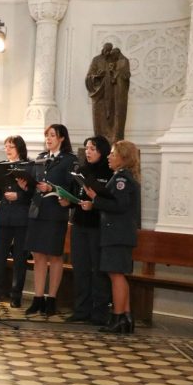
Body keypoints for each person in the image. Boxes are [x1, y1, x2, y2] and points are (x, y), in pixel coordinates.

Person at [80, 140, 141, 334]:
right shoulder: (121, 176)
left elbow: (120, 206)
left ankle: (117, 317)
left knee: (116, 276)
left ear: (123, 158)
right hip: (117, 233)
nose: (109, 156)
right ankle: (126, 317)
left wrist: (96, 200)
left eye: (113, 154)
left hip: (117, 234)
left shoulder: (122, 179)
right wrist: (95, 201)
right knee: (118, 275)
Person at [25, 124, 78, 317]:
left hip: (55, 212)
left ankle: (51, 299)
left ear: (62, 138)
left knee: (55, 256)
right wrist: (26, 184)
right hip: (38, 211)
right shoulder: (40, 159)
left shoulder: (69, 160)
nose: (49, 138)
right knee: (38, 255)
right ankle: (38, 297)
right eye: (47, 135)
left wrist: (53, 189)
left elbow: (73, 187)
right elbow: (32, 184)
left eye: (53, 135)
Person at [64, 135, 112, 324]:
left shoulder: (108, 172)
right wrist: (68, 200)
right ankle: (81, 309)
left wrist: (94, 205)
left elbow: (110, 200)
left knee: (98, 270)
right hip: (79, 224)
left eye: (93, 148)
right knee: (81, 268)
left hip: (98, 226)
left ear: (102, 151)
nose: (88, 152)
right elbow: (76, 195)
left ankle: (99, 312)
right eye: (87, 148)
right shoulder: (81, 171)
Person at [0, 136, 31, 309]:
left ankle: (16, 295)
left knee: (20, 258)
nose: (8, 149)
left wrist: (19, 195)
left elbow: (33, 192)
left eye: (11, 146)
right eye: (6, 146)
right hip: (4, 216)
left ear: (19, 148)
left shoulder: (28, 165)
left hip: (21, 217)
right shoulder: (2, 166)